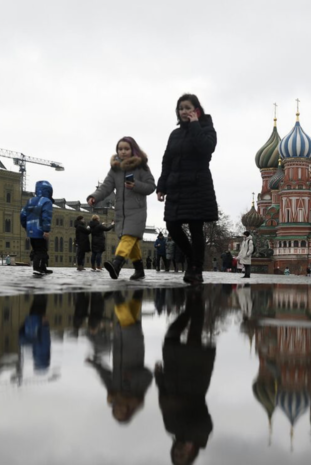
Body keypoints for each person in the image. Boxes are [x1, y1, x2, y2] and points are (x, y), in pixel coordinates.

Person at [157, 94, 218, 285]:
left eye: (188, 108)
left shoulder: (207, 128)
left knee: (195, 227)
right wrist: (162, 186)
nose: (184, 111)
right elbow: (167, 160)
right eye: (181, 108)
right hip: (176, 186)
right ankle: (193, 258)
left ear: (197, 110)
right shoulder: (174, 134)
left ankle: (196, 269)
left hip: (197, 185)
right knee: (172, 226)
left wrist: (194, 125)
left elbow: (206, 149)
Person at [155, 288, 215, 465]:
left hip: (173, 375)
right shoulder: (201, 436)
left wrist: (159, 377)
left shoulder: (170, 428)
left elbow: (162, 401)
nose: (179, 452)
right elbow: (206, 421)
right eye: (182, 456)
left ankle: (190, 307)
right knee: (194, 335)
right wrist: (192, 439)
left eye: (175, 455)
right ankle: (197, 301)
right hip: (193, 380)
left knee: (171, 335)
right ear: (191, 455)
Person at [87, 137, 156, 281]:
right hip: (121, 212)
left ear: (133, 150)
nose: (123, 152)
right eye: (120, 149)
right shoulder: (115, 169)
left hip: (137, 211)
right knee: (132, 242)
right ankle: (139, 270)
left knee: (128, 237)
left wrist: (135, 185)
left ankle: (117, 263)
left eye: (126, 149)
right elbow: (106, 187)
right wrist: (94, 197)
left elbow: (151, 186)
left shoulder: (141, 167)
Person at [87, 290, 153, 424]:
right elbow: (148, 375)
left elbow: (105, 376)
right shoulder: (138, 394)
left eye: (116, 411)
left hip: (119, 345)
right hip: (134, 348)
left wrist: (94, 364)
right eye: (121, 412)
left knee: (130, 318)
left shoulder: (114, 393)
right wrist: (132, 376)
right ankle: (117, 296)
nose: (118, 409)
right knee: (127, 322)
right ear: (128, 411)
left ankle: (138, 293)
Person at [21, 180, 54, 275]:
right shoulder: (46, 201)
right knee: (42, 250)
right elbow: (46, 217)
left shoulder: (30, 200)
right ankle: (37, 268)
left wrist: (26, 226)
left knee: (36, 249)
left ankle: (43, 267)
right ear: (48, 191)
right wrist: (46, 230)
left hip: (31, 230)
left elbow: (22, 214)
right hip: (40, 230)